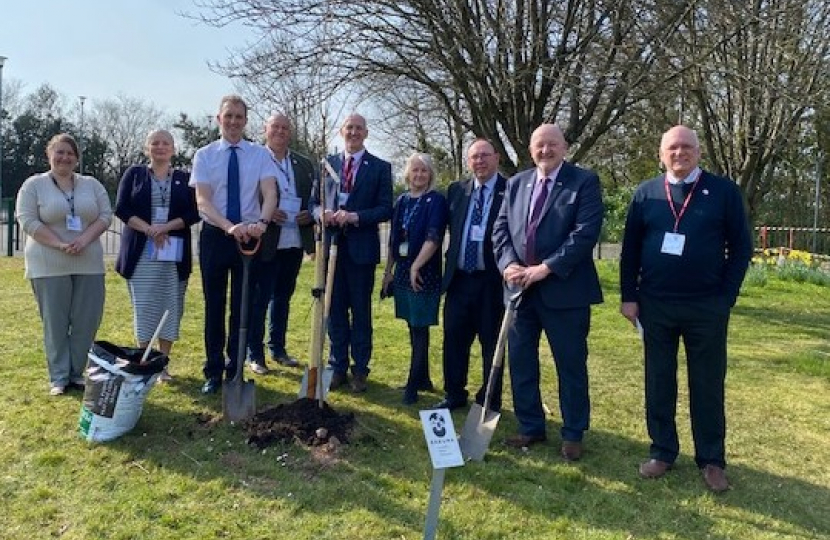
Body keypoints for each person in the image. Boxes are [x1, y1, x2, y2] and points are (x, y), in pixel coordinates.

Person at [619, 125, 752, 493]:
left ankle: (711, 460)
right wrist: (629, 296)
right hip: (655, 305)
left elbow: (741, 248)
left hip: (706, 306)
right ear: (661, 154)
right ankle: (662, 452)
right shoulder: (646, 194)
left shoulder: (723, 191)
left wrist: (725, 298)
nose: (680, 153)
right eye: (672, 148)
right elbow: (629, 250)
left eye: (687, 147)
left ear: (698, 151)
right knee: (659, 381)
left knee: (707, 383)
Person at [493, 123, 604, 461]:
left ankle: (573, 433)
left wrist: (545, 268)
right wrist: (508, 264)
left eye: (552, 144)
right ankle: (530, 426)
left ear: (565, 147)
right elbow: (500, 230)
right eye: (539, 145)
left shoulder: (583, 182)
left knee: (570, 364)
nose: (546, 151)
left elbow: (585, 234)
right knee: (522, 361)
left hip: (564, 291)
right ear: (530, 151)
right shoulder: (515, 184)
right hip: (519, 293)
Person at [190, 95, 279, 395]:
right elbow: (202, 199)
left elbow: (270, 194)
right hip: (217, 235)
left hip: (250, 237)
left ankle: (235, 369)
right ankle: (213, 370)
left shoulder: (259, 155)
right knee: (214, 305)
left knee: (242, 307)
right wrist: (230, 227)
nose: (233, 122)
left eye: (239, 117)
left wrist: (262, 224)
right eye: (228, 116)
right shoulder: (204, 155)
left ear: (245, 121)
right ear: (218, 119)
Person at [15, 133, 113, 396]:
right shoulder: (33, 185)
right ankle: (58, 376)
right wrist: (59, 244)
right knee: (55, 322)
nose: (65, 158)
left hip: (88, 262)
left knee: (86, 320)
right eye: (59, 152)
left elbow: (105, 215)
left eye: (70, 153)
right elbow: (27, 220)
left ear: (77, 158)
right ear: (49, 155)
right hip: (48, 264)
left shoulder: (91, 184)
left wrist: (84, 239)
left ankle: (76, 372)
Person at [310, 113, 393, 393]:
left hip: (361, 251)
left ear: (366, 133)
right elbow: (313, 202)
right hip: (330, 250)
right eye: (349, 128)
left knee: (360, 311)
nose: (354, 133)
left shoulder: (380, 167)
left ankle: (360, 370)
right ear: (341, 131)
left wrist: (355, 216)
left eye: (359, 128)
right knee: (334, 310)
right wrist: (321, 213)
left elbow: (385, 208)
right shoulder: (327, 165)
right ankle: (337, 366)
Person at [115, 129, 200, 381]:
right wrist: (149, 229)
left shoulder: (185, 178)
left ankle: (162, 365)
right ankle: (145, 363)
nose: (160, 147)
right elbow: (121, 207)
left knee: (170, 307)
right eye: (155, 143)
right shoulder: (134, 174)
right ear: (147, 148)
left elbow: (194, 213)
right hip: (142, 255)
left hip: (172, 255)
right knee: (145, 308)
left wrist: (166, 227)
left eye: (166, 143)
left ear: (173, 149)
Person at [434, 138, 507, 412]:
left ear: (497, 158)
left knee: (492, 342)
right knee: (453, 338)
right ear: (468, 161)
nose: (480, 161)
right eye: (474, 157)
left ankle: (490, 398)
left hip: (492, 281)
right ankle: (454, 393)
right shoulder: (456, 190)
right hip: (459, 279)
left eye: (485, 156)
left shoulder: (509, 190)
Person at [246, 114, 316, 373]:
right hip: (266, 239)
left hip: (294, 239)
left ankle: (278, 348)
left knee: (283, 297)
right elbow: (246, 196)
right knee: (259, 298)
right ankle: (255, 354)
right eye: (275, 127)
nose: (280, 131)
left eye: (285, 128)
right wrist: (265, 211)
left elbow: (313, 196)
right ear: (266, 129)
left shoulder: (303, 163)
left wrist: (309, 213)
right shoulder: (254, 159)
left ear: (291, 132)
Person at [381, 153, 448, 404]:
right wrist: (388, 272)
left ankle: (412, 384)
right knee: (412, 324)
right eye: (415, 170)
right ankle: (423, 378)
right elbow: (393, 241)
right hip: (402, 270)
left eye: (424, 171)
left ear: (430, 175)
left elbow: (434, 237)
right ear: (408, 174)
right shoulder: (402, 201)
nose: (419, 175)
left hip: (423, 273)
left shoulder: (436, 201)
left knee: (420, 327)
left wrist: (415, 266)